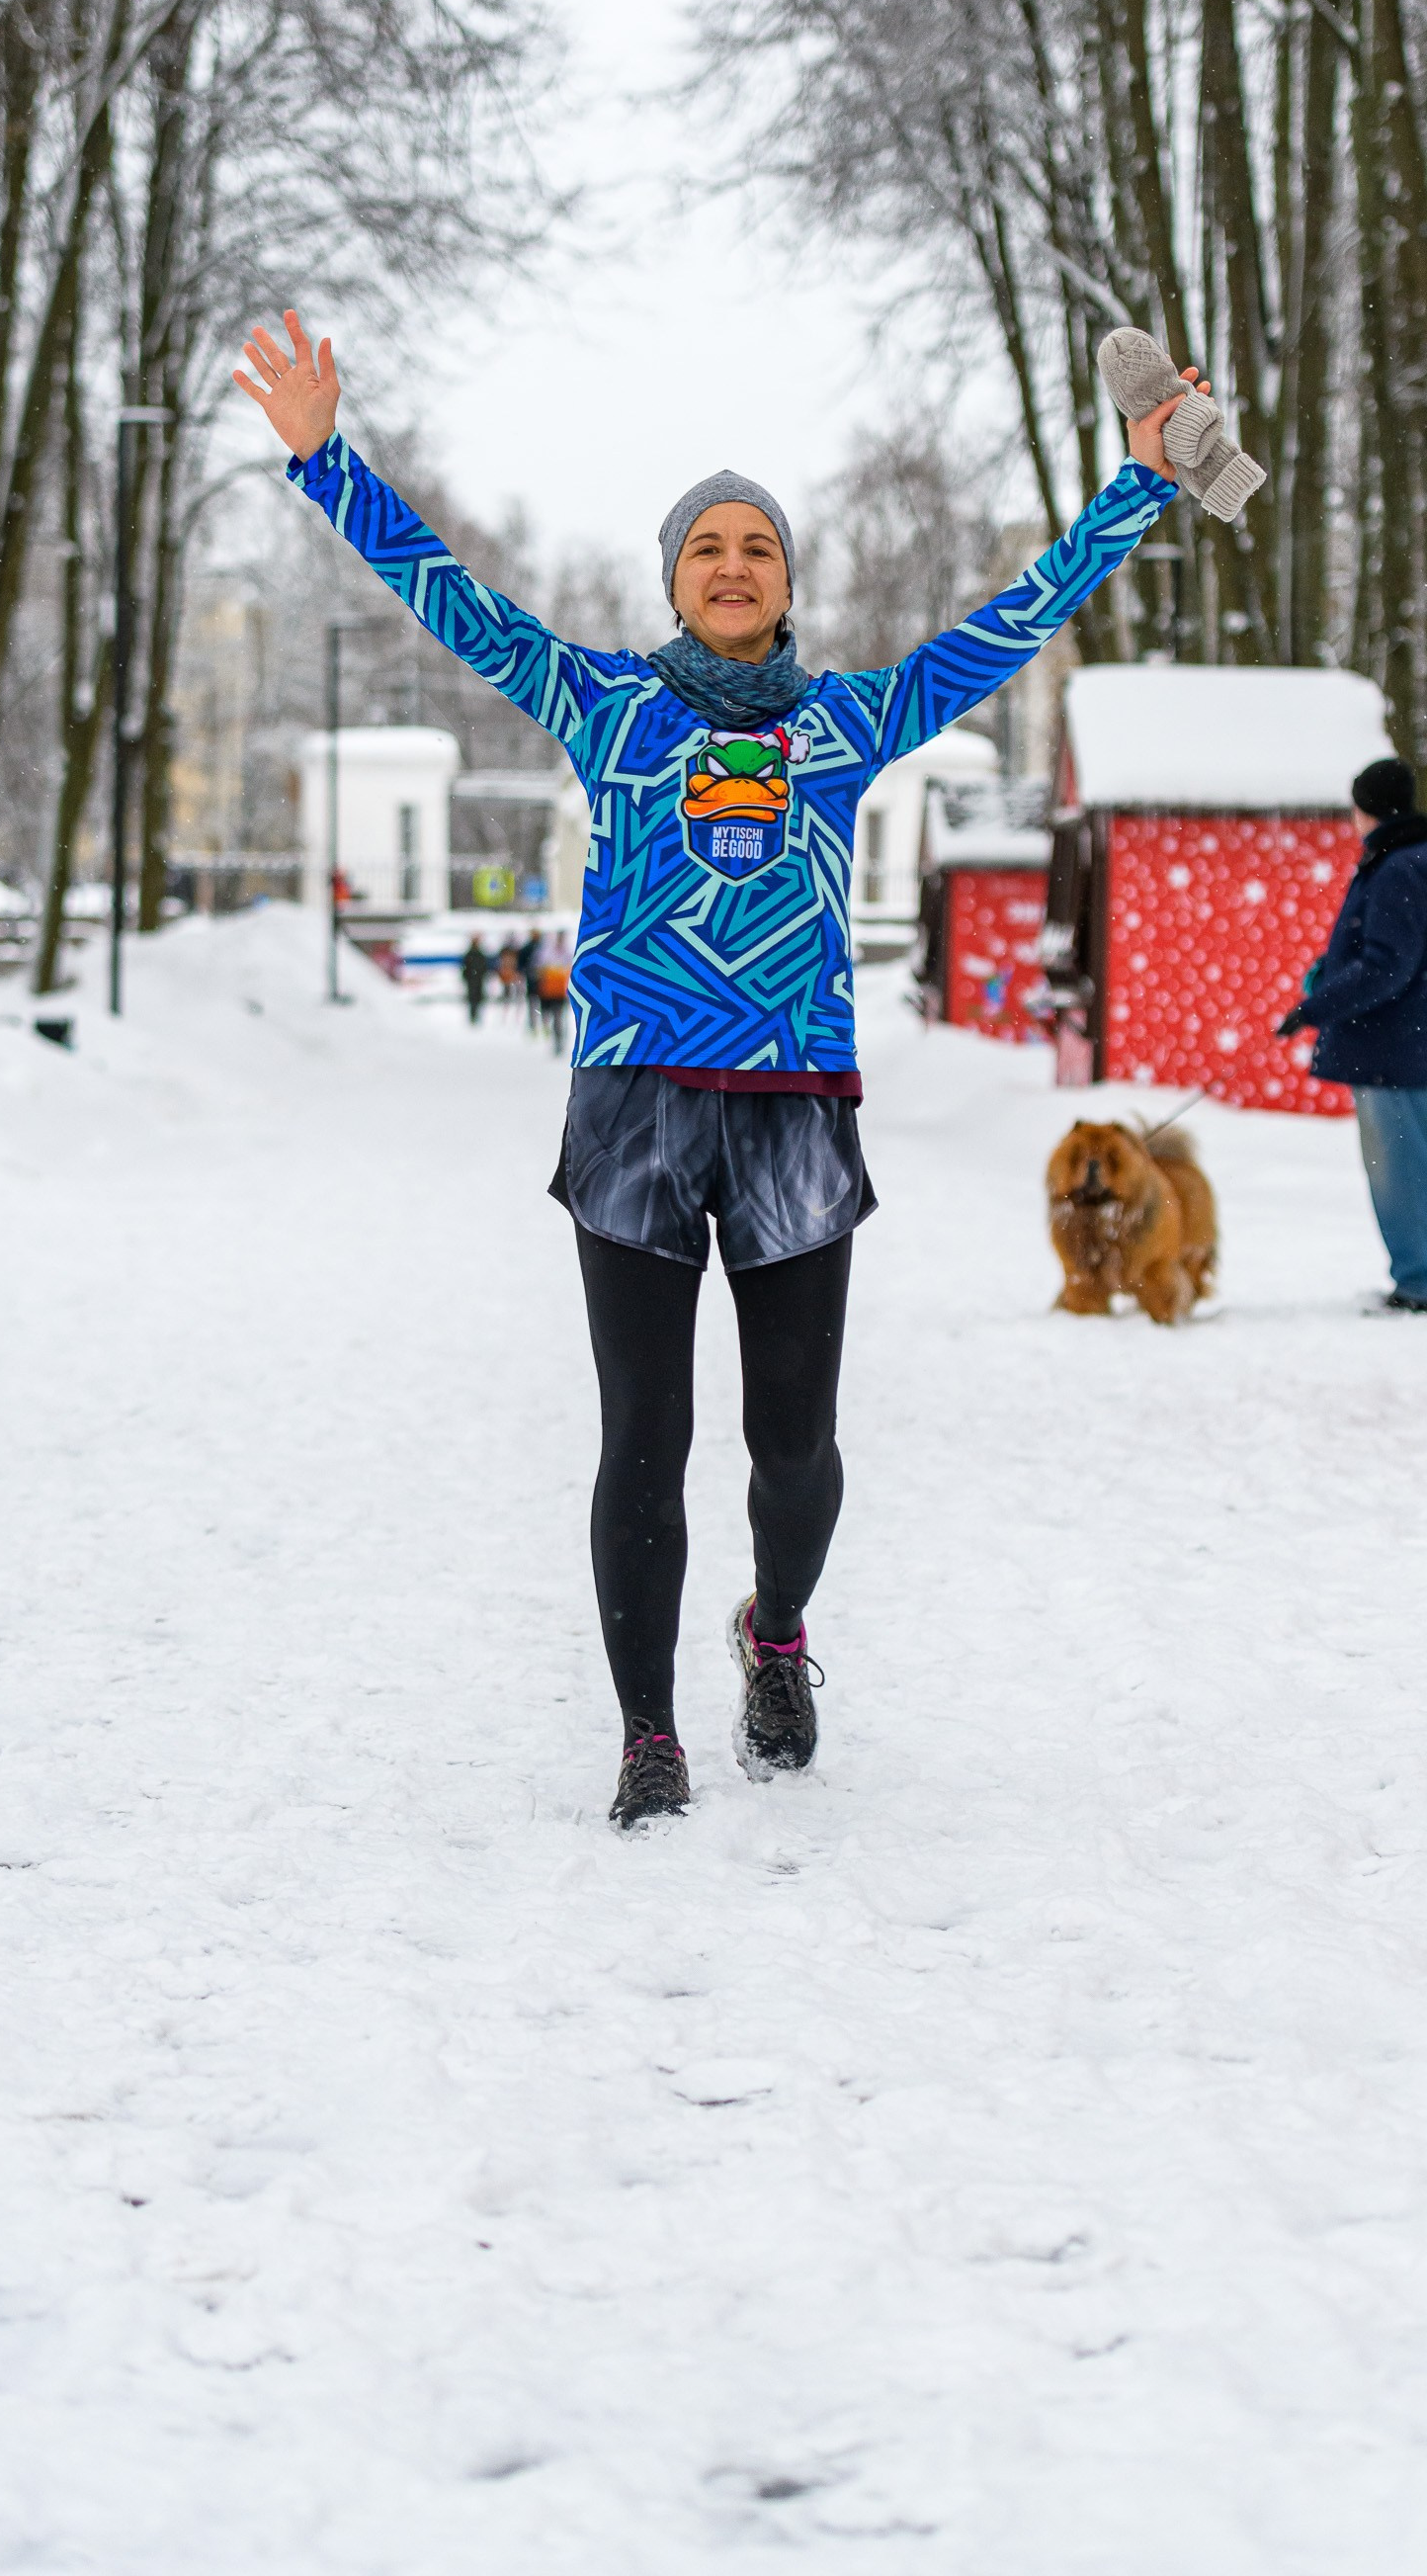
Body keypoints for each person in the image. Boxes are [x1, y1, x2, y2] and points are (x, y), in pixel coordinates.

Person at [235, 308, 1196, 1825]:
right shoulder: (604, 706)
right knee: (646, 1437)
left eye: (759, 546)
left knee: (795, 1447)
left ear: (790, 585)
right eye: (707, 548)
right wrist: (323, 461)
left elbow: (1017, 617)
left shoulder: (848, 720)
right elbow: (456, 604)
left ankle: (776, 1629)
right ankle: (645, 1735)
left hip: (795, 1107)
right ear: (673, 582)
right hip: (633, 1105)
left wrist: (1138, 485)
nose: (734, 564)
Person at [1278, 757, 1427, 1314]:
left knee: (1398, 1168)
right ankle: (1419, 1273)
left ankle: (1418, 1281)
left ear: (1368, 808)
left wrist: (1315, 1007)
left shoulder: (1400, 866)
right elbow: (1377, 950)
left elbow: (1386, 965)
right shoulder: (1421, 858)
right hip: (1405, 1041)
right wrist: (1328, 971)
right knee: (1413, 1164)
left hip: (1389, 1045)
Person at [519, 925, 544, 1031]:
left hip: (542, 980)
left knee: (542, 1003)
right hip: (533, 978)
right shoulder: (528, 947)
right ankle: (533, 1024)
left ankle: (541, 1023)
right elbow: (521, 963)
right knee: (533, 1002)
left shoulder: (542, 946)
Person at [460, 934, 488, 1026]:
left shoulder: (475, 953)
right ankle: (473, 1016)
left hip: (475, 978)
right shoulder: (473, 953)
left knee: (476, 998)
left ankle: (475, 1016)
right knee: (474, 998)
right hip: (474, 978)